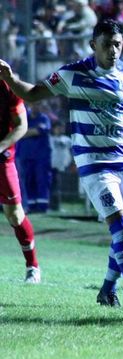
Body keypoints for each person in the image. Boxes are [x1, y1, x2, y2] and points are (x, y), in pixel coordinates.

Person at [0, 19, 123, 310]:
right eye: (107, 44)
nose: (113, 50)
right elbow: (32, 94)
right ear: (94, 45)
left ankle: (107, 289)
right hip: (95, 164)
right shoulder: (73, 74)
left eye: (118, 44)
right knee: (118, 227)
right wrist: (9, 78)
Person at [0, 81, 42, 283]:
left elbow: (21, 125)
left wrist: (1, 147)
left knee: (14, 215)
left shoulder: (7, 85)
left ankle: (32, 266)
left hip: (2, 159)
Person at [16, 102, 53, 213]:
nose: (35, 106)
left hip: (41, 156)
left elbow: (39, 130)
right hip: (25, 155)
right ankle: (31, 206)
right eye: (33, 104)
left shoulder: (44, 118)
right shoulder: (24, 118)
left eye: (37, 104)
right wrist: (27, 132)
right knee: (28, 180)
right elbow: (16, 131)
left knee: (42, 180)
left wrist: (23, 132)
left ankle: (42, 207)